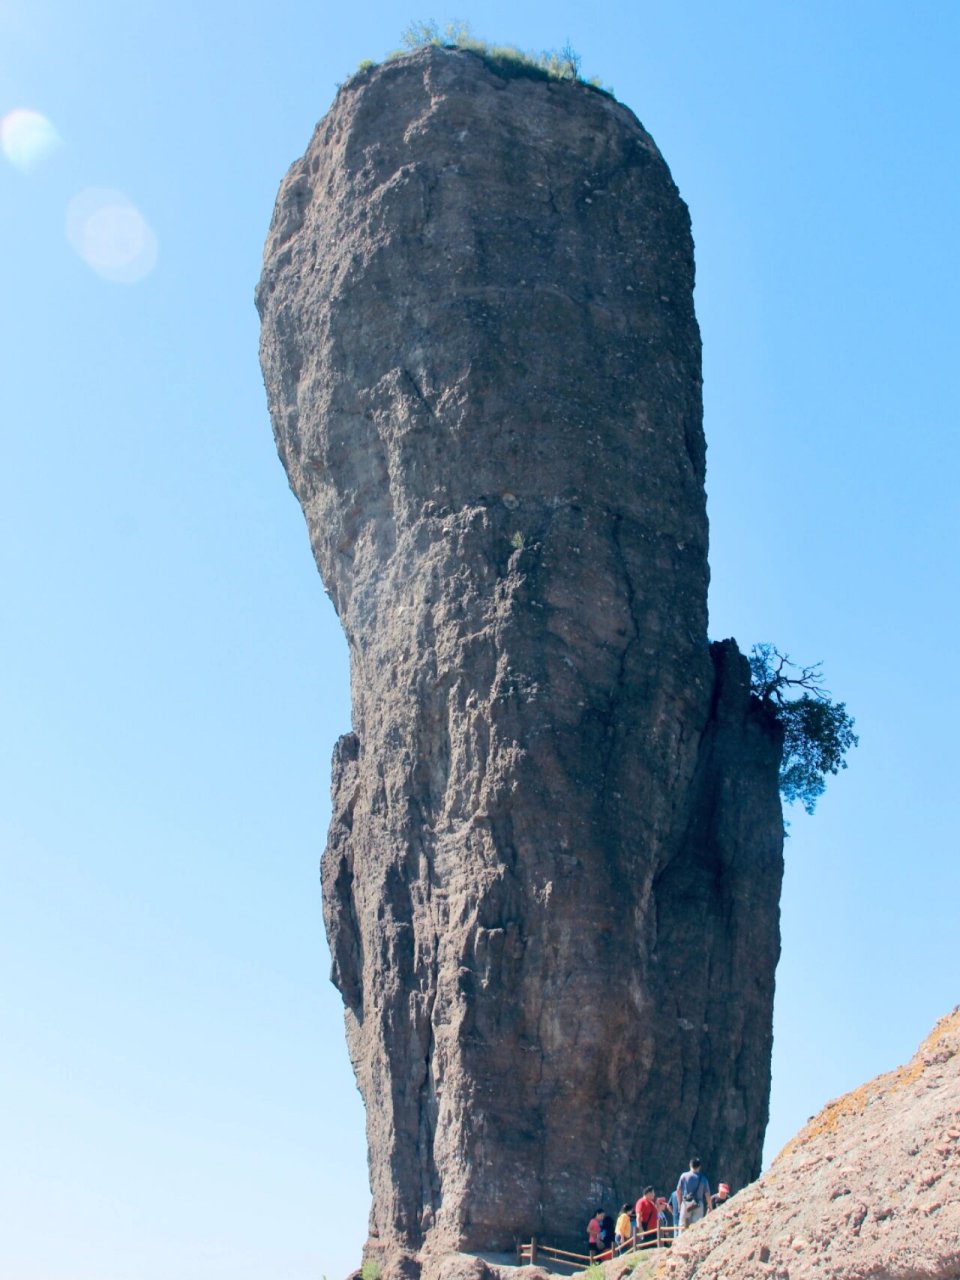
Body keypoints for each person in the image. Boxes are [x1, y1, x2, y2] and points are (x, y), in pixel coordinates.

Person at [675, 1157, 712, 1232]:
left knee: (683, 1226)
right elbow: (707, 1194)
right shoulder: (703, 1179)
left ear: (690, 1165)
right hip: (698, 1204)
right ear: (699, 1167)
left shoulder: (684, 1176)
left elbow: (678, 1191)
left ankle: (681, 1242)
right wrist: (710, 1207)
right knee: (697, 1227)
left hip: (686, 1204)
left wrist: (679, 1205)